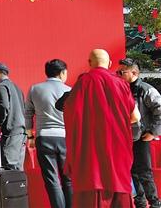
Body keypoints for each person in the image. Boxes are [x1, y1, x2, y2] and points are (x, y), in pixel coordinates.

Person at [62, 49, 139, 207]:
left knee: (91, 188)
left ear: (89, 63)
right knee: (119, 186)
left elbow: (70, 115)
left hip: (91, 152)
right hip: (117, 149)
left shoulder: (82, 83)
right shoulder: (121, 83)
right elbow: (135, 116)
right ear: (109, 63)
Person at [25, 59, 72, 208]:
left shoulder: (35, 89)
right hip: (65, 137)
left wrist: (30, 136)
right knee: (68, 179)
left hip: (44, 137)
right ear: (62, 73)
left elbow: (27, 114)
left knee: (52, 180)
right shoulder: (70, 90)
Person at [117, 58, 161, 208]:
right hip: (124, 138)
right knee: (131, 172)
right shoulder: (121, 89)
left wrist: (152, 132)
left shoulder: (146, 90)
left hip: (142, 137)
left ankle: (154, 204)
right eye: (117, 72)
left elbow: (160, 110)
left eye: (122, 72)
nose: (118, 75)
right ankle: (140, 203)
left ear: (134, 73)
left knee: (144, 172)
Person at [0, 62, 26, 170]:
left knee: (10, 166)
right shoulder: (17, 88)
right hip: (21, 132)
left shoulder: (2, 86)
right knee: (18, 168)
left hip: (11, 132)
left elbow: (4, 106)